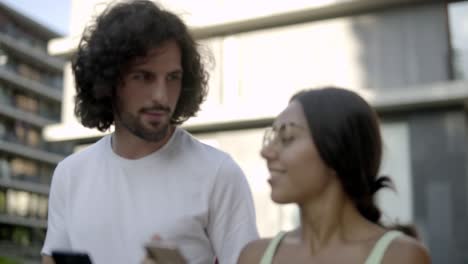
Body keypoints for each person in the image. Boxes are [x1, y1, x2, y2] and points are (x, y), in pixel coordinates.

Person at [41, 1, 258, 263]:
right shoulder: (70, 175)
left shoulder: (218, 173)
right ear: (109, 82)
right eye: (143, 77)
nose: (161, 96)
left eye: (173, 77)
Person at [238, 87, 430, 264]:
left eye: (287, 137)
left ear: (337, 149)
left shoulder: (400, 257)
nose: (266, 152)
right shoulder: (254, 256)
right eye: (271, 138)